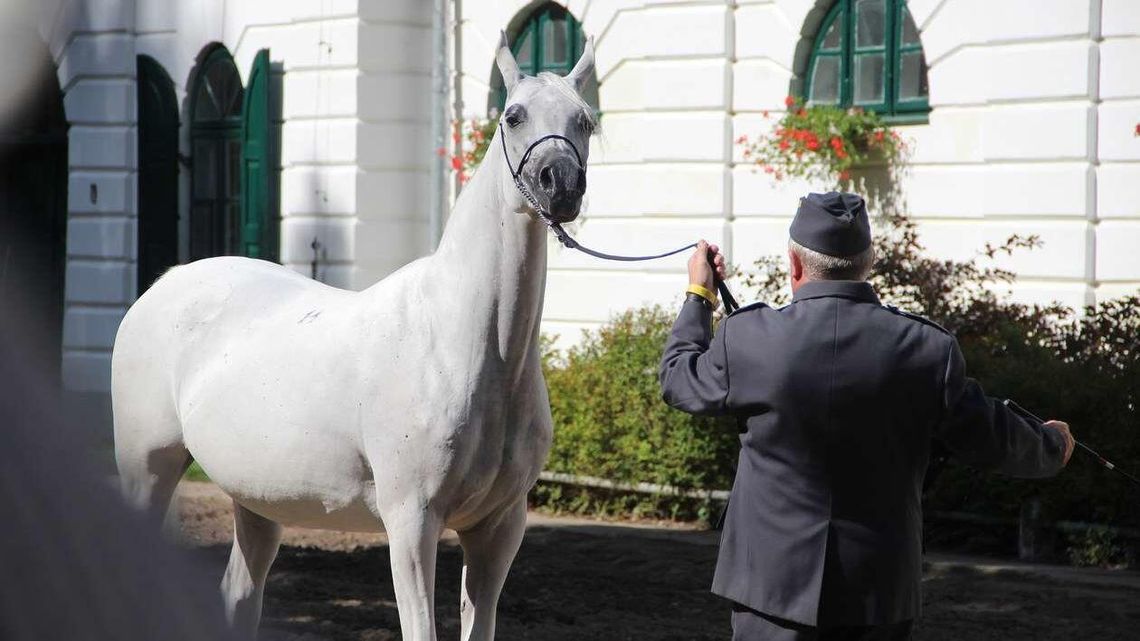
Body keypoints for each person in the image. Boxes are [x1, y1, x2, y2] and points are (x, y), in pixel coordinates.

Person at [659, 191, 1074, 641]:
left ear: (794, 265)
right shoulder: (926, 348)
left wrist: (699, 294)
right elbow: (991, 437)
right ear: (868, 262)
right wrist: (1052, 444)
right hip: (878, 590)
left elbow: (679, 379)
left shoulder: (748, 338)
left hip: (771, 586)